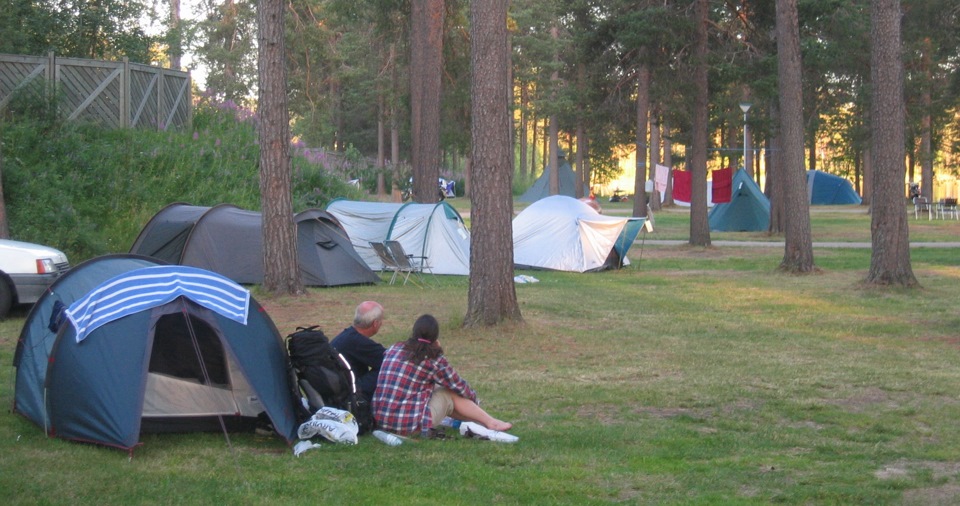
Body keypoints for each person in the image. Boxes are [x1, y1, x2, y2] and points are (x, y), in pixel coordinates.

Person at [373, 314, 514, 439]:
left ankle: (481, 421)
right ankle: (490, 422)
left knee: (438, 388)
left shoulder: (394, 348)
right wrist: (474, 400)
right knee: (448, 393)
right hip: (407, 426)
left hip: (380, 420)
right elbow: (458, 386)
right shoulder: (433, 359)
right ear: (435, 337)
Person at [330, 301, 386, 401]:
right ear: (375, 323)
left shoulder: (348, 335)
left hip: (338, 388)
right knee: (388, 368)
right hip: (351, 391)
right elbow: (390, 358)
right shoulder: (357, 342)